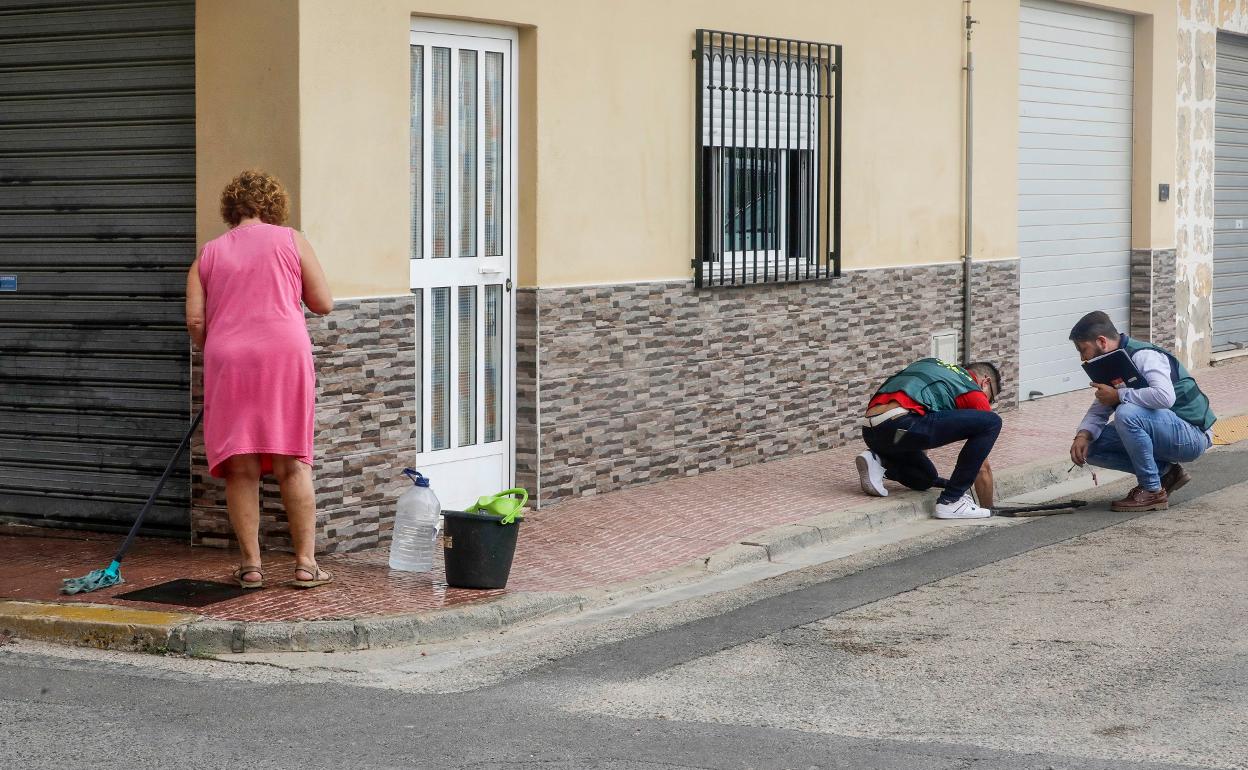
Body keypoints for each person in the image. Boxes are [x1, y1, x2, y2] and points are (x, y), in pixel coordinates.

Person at [185, 170, 335, 589]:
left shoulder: (208, 254)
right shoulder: (291, 240)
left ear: (230, 210)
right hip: (284, 356)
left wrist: (212, 348)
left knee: (241, 466)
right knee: (293, 461)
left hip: (229, 360)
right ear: (273, 205)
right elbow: (323, 303)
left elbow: (196, 319)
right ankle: (305, 564)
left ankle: (251, 565)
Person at [1068, 311, 1215, 512]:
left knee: (1126, 414)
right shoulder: (1112, 363)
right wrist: (1082, 435)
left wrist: (1119, 396)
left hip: (1192, 434)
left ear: (1102, 341)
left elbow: (1165, 396)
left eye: (1083, 349)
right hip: (1166, 430)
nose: (1082, 357)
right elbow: (1102, 404)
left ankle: (1152, 491)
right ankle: (1167, 474)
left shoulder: (1143, 355)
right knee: (1091, 446)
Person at [855, 358, 1002, 519]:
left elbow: (922, 419)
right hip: (901, 425)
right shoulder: (971, 389)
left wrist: (918, 462)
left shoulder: (935, 367)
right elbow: (982, 467)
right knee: (992, 422)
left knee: (925, 478)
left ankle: (879, 459)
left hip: (873, 432)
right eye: (991, 398)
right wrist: (989, 508)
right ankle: (952, 501)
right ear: (985, 382)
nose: (989, 402)